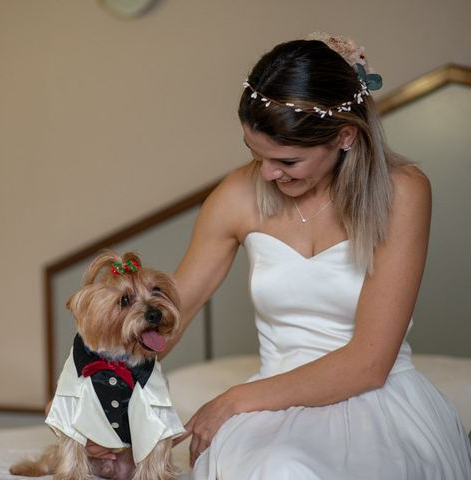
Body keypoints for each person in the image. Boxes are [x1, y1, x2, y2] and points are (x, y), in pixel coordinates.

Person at [163, 34, 471, 479]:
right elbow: (163, 319)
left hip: (375, 397)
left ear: (345, 136)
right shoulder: (238, 193)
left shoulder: (403, 192)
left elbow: (369, 362)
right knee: (275, 465)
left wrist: (231, 402)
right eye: (255, 153)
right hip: (267, 407)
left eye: (288, 161)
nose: (267, 173)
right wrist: (96, 395)